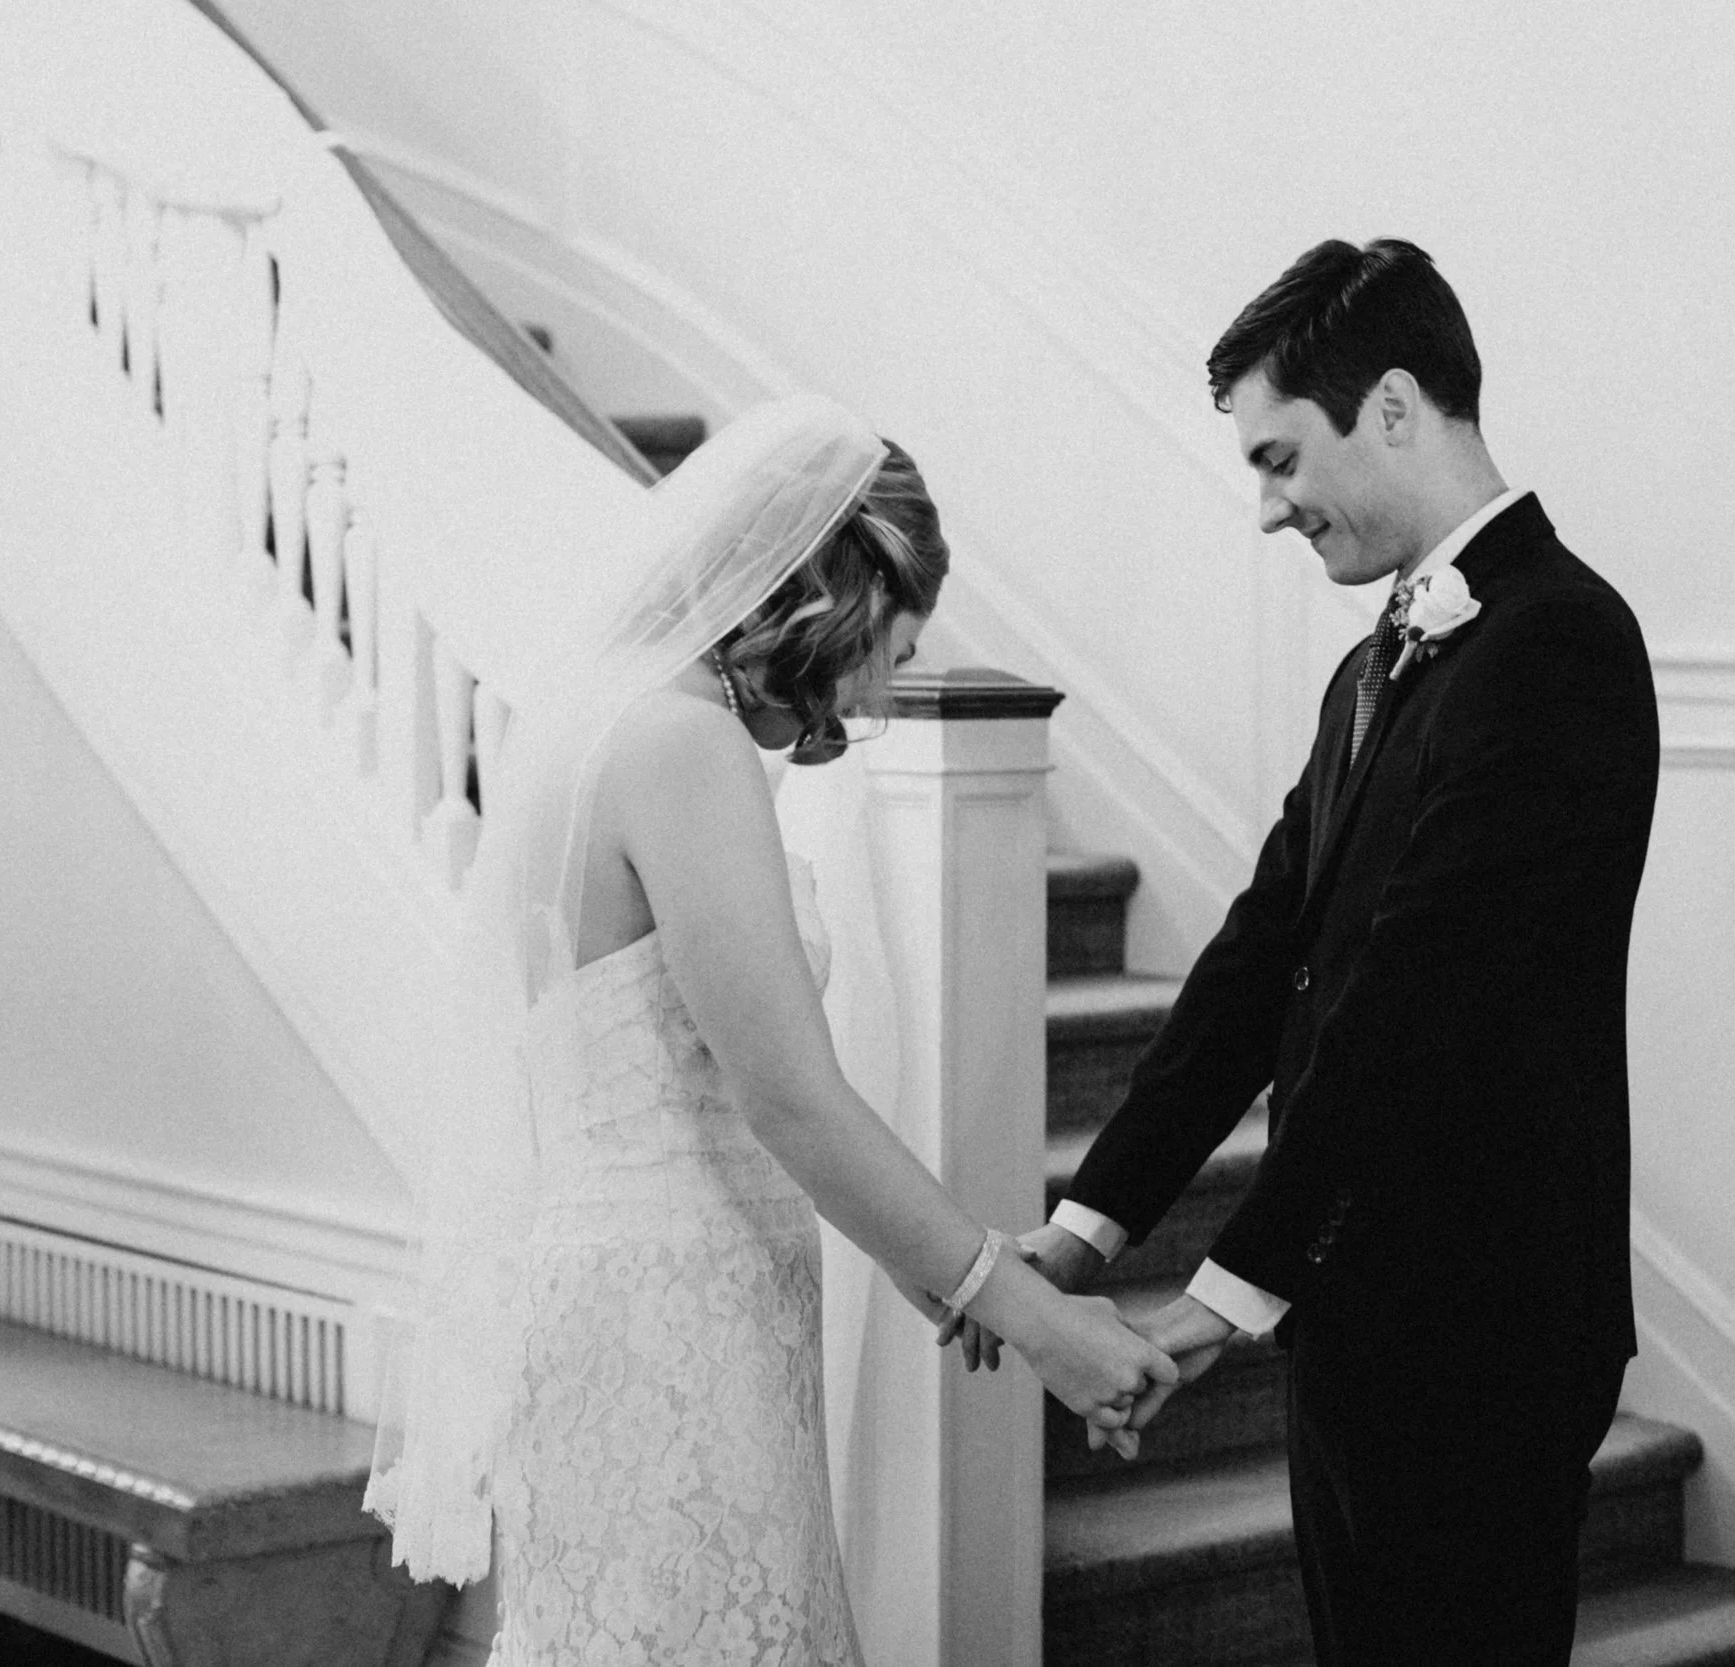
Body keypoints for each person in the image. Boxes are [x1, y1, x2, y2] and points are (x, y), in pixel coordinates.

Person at [364, 394, 1175, 1663]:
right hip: (672, 1322)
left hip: (632, 1292)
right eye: (892, 653)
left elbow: (738, 1100)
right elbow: (788, 1099)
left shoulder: (604, 722)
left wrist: (957, 1272)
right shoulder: (682, 744)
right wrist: (1034, 1317)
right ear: (834, 601)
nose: (886, 695)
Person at [1022, 240, 1660, 1662]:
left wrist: (1210, 1304)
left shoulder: (1560, 641)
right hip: (1357, 1317)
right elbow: (1266, 958)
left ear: (1387, 405)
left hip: (1483, 1327)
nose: (1265, 508)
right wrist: (1086, 1226)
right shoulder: (1374, 660)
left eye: (1277, 457)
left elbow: (1413, 1009)